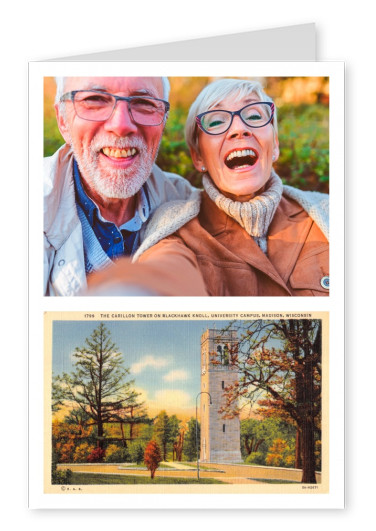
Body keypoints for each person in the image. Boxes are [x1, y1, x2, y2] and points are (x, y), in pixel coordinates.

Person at [87, 78, 329, 296]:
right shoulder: (176, 229)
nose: (239, 129)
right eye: (216, 121)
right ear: (198, 157)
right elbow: (165, 271)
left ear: (274, 144)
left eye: (254, 116)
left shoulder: (328, 213)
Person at [44, 76, 198, 296]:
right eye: (95, 99)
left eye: (144, 103)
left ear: (163, 121)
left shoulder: (187, 204)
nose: (121, 125)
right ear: (62, 120)